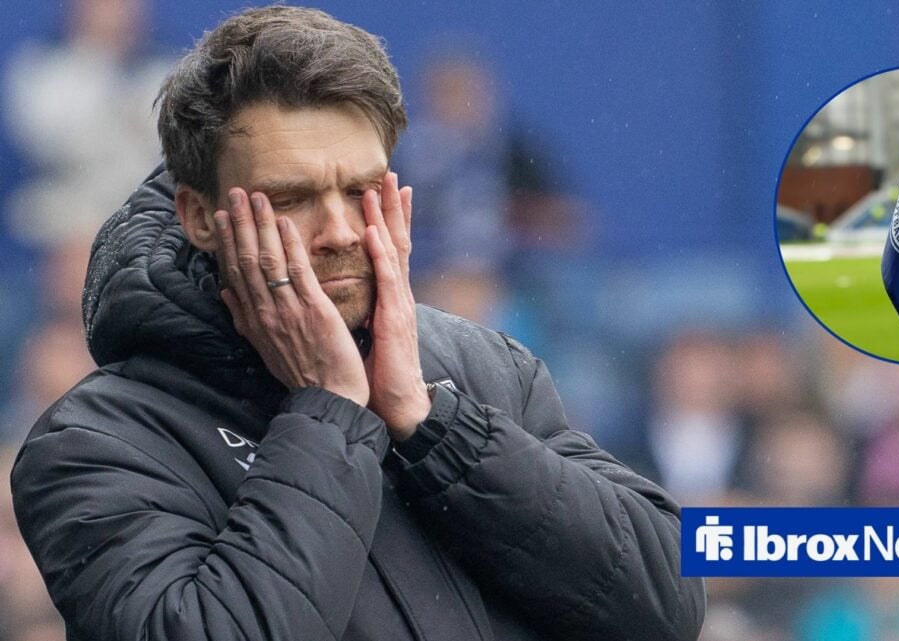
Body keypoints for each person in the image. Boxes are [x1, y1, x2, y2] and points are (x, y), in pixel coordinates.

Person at [8, 6, 705, 641]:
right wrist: (330, 409)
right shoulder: (96, 442)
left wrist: (433, 425)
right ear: (198, 216)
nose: (341, 230)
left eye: (362, 190)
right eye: (292, 198)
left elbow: (665, 600)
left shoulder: (484, 366)